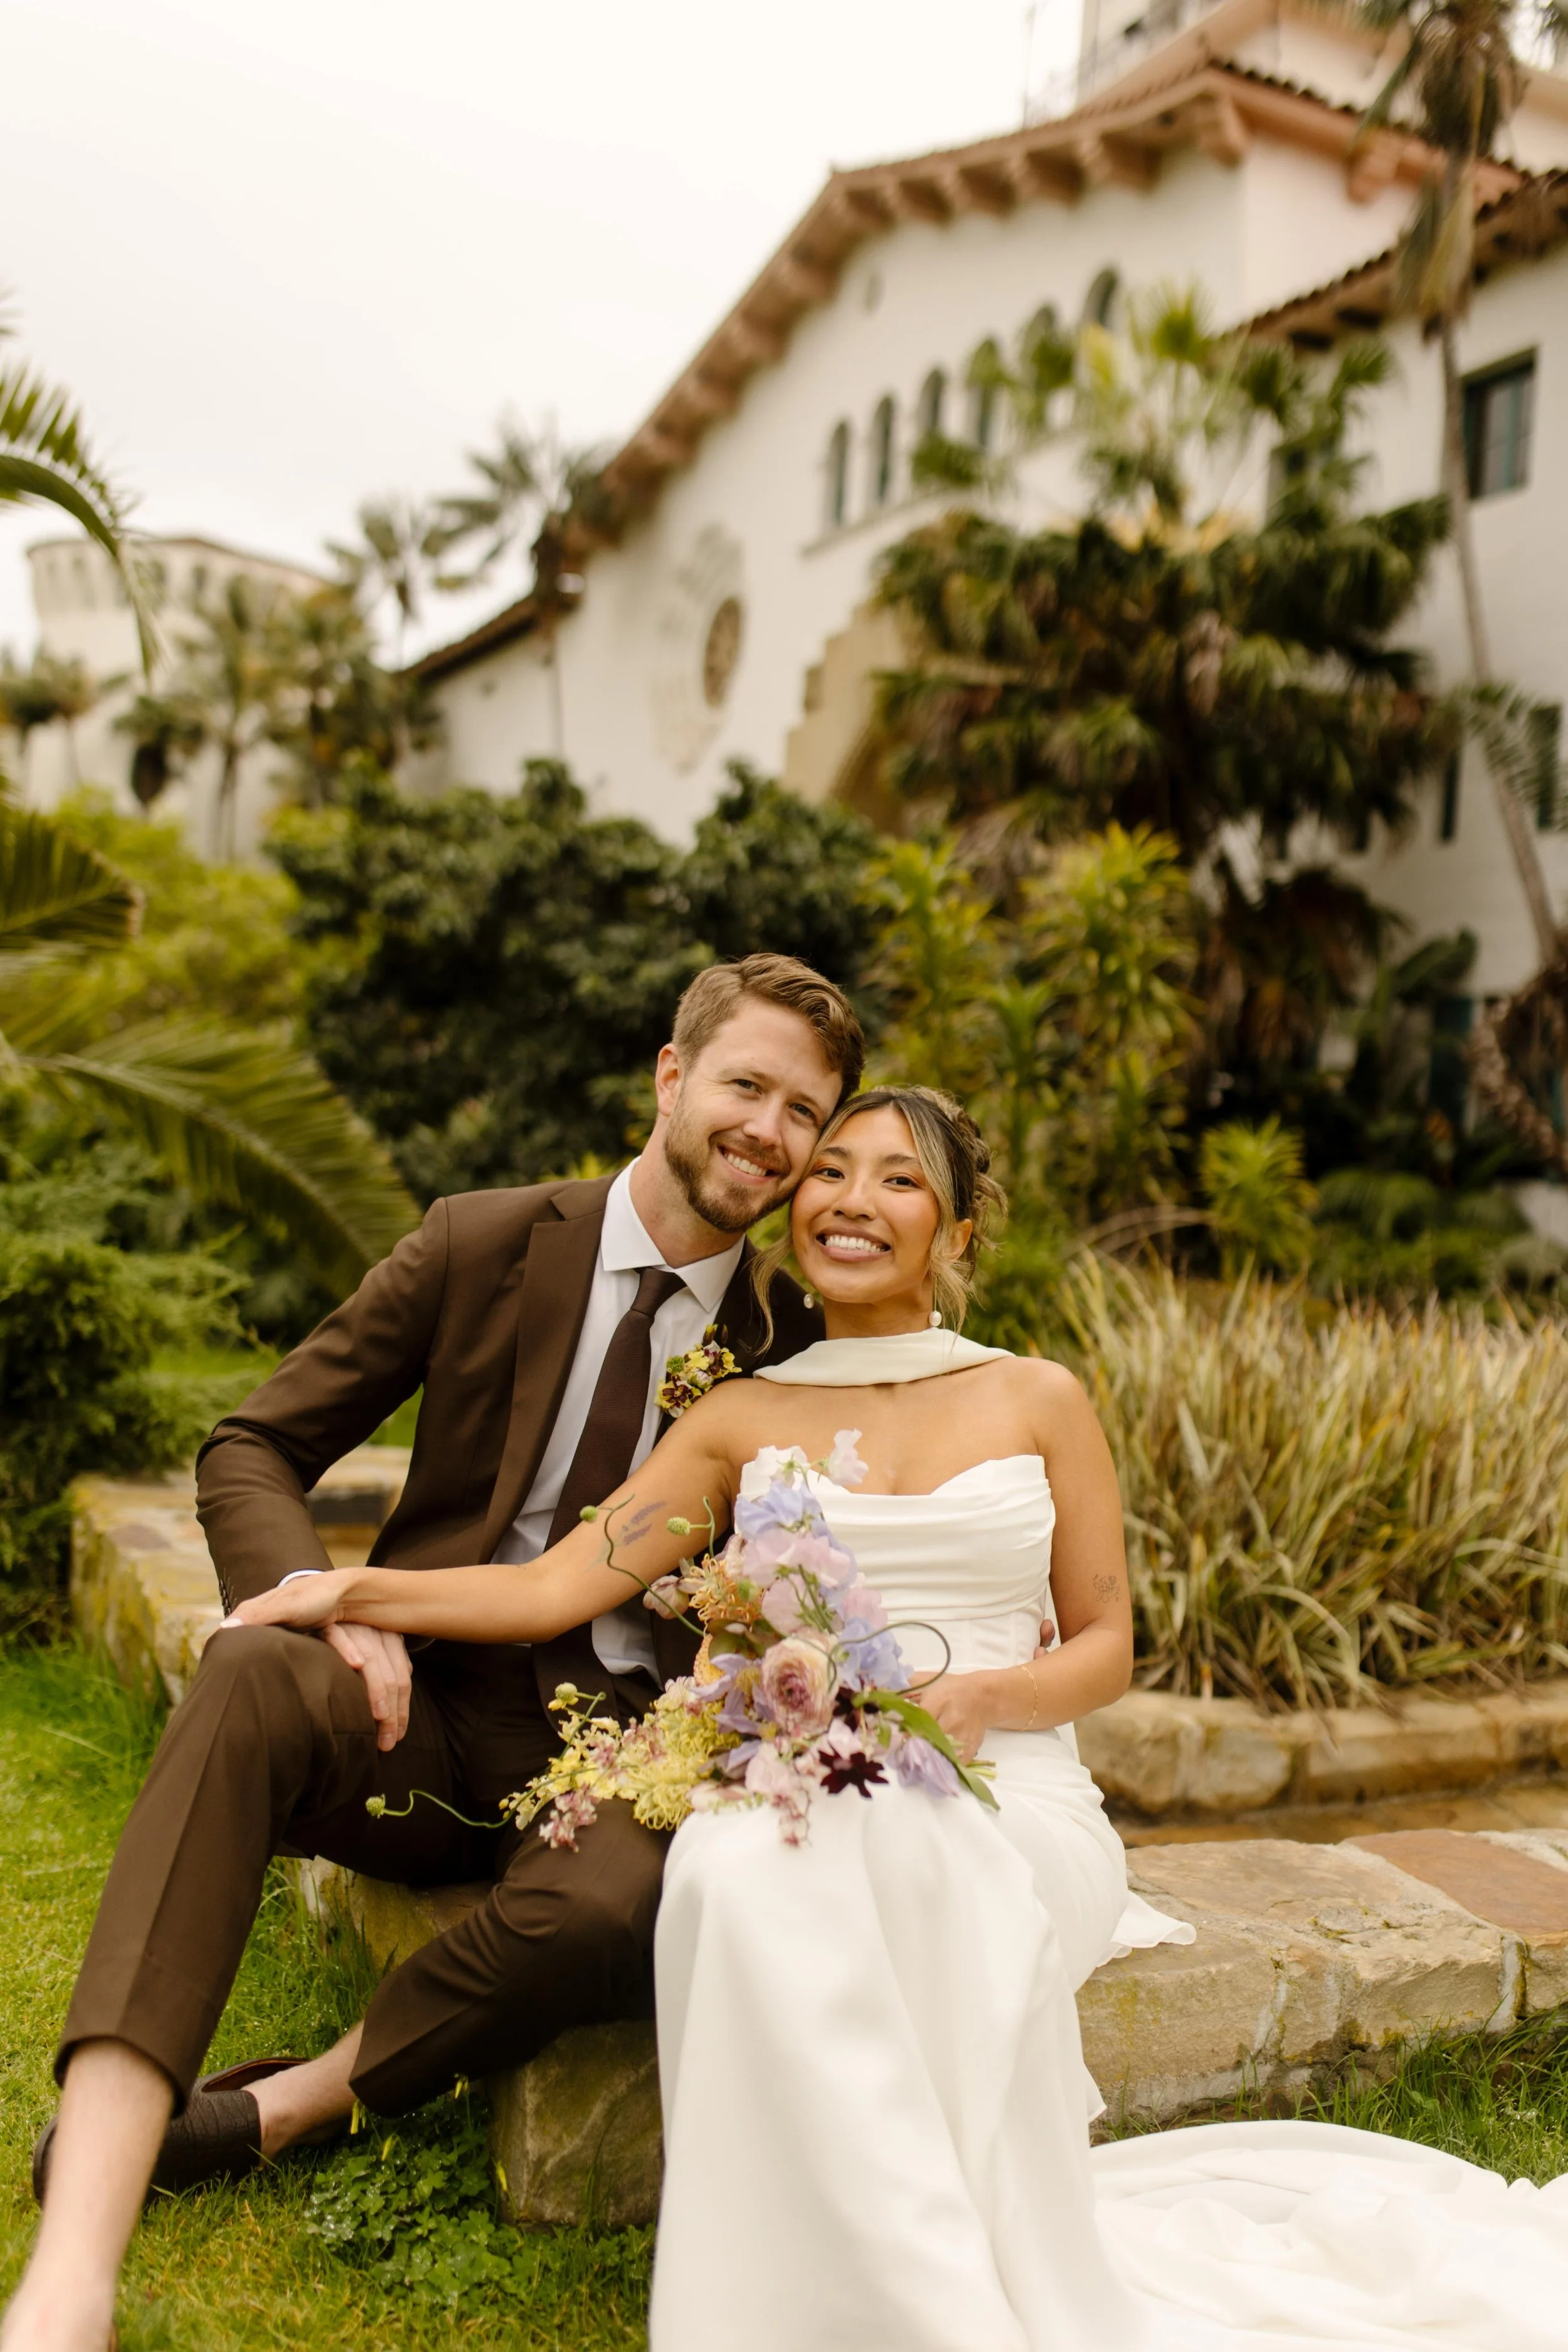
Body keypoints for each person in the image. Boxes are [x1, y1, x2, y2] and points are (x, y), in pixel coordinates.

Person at [210, 1084, 1568, 2350]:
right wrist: (342, 1584)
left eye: (897, 1180)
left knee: (876, 1861)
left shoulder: (1037, 1396)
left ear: (955, 1228)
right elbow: (559, 1581)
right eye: (831, 1174)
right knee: (735, 1870)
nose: (852, 1199)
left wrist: (984, 1698)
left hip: (1012, 1791)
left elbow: (1104, 1646)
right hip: (809, 1771)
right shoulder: (738, 1415)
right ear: (797, 1213)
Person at [4, 953, 864, 2352]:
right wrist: (323, 1598)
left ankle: (284, 2104)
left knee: (598, 1918)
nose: (769, 1130)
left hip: (621, 1744)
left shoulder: (790, 1337)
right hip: (408, 1710)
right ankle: (74, 2264)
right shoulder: (480, 1240)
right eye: (745, 1085)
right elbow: (255, 1443)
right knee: (243, 1674)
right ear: (670, 1076)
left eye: (803, 1111)